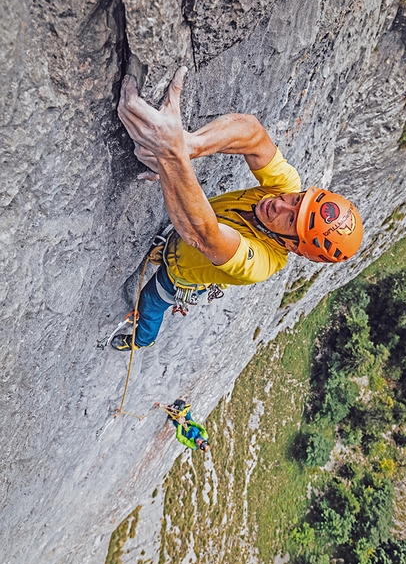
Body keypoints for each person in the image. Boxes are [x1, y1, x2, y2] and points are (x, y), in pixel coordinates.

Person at [112, 67, 363, 351]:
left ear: (292, 246)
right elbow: (252, 133)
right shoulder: (286, 188)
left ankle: (141, 340)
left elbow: (203, 234)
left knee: (151, 302)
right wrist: (188, 145)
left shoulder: (262, 264)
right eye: (297, 199)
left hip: (179, 275)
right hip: (182, 241)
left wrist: (171, 154)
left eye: (290, 219)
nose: (279, 203)